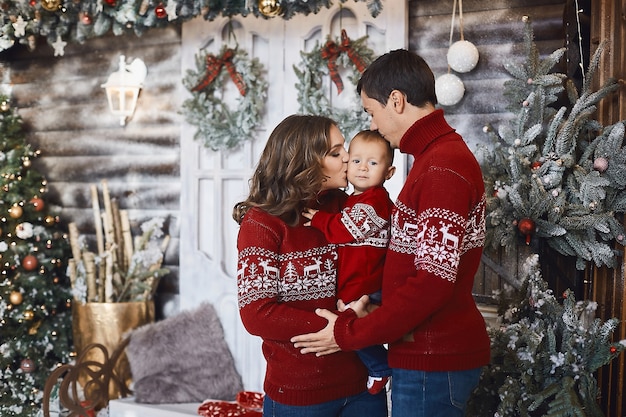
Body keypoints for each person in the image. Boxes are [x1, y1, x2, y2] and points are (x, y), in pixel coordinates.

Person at [291, 49, 491, 417]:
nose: (374, 124)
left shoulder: (442, 168)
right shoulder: (434, 158)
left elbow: (432, 282)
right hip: (426, 353)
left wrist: (349, 332)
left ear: (396, 101)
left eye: (371, 111)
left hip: (433, 357)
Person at [232, 114, 388, 417]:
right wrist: (342, 330)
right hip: (299, 396)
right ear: (303, 163)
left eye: (344, 149)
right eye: (335, 153)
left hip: (364, 388)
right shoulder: (262, 223)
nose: (348, 158)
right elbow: (257, 313)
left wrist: (372, 316)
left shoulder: (348, 207)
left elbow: (382, 270)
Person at [302, 130, 395, 395]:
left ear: (389, 173)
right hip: (357, 277)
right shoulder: (354, 199)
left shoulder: (376, 201)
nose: (362, 168)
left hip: (367, 279)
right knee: (350, 320)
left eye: (373, 163)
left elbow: (347, 228)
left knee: (348, 322)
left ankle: (379, 365)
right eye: (356, 161)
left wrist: (319, 219)